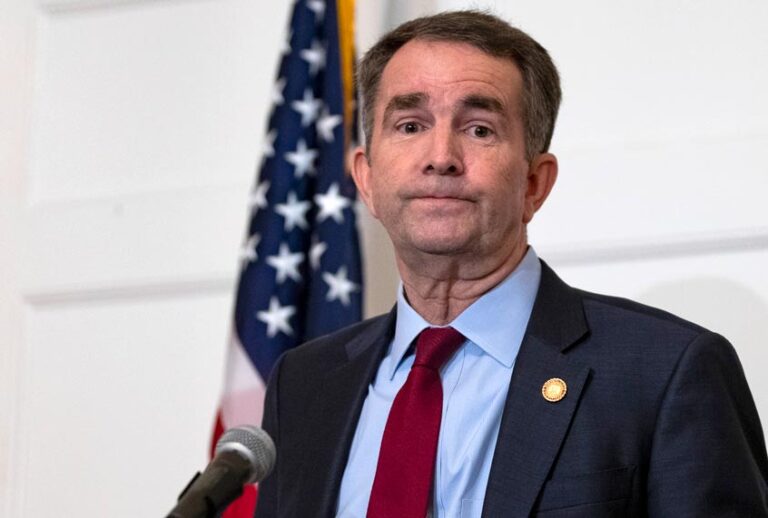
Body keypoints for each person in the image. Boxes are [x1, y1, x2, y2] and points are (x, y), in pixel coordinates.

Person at [255, 10, 768, 517]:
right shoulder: (303, 384)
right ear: (365, 179)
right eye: (410, 125)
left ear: (533, 183)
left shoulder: (667, 372)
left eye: (479, 129)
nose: (441, 156)